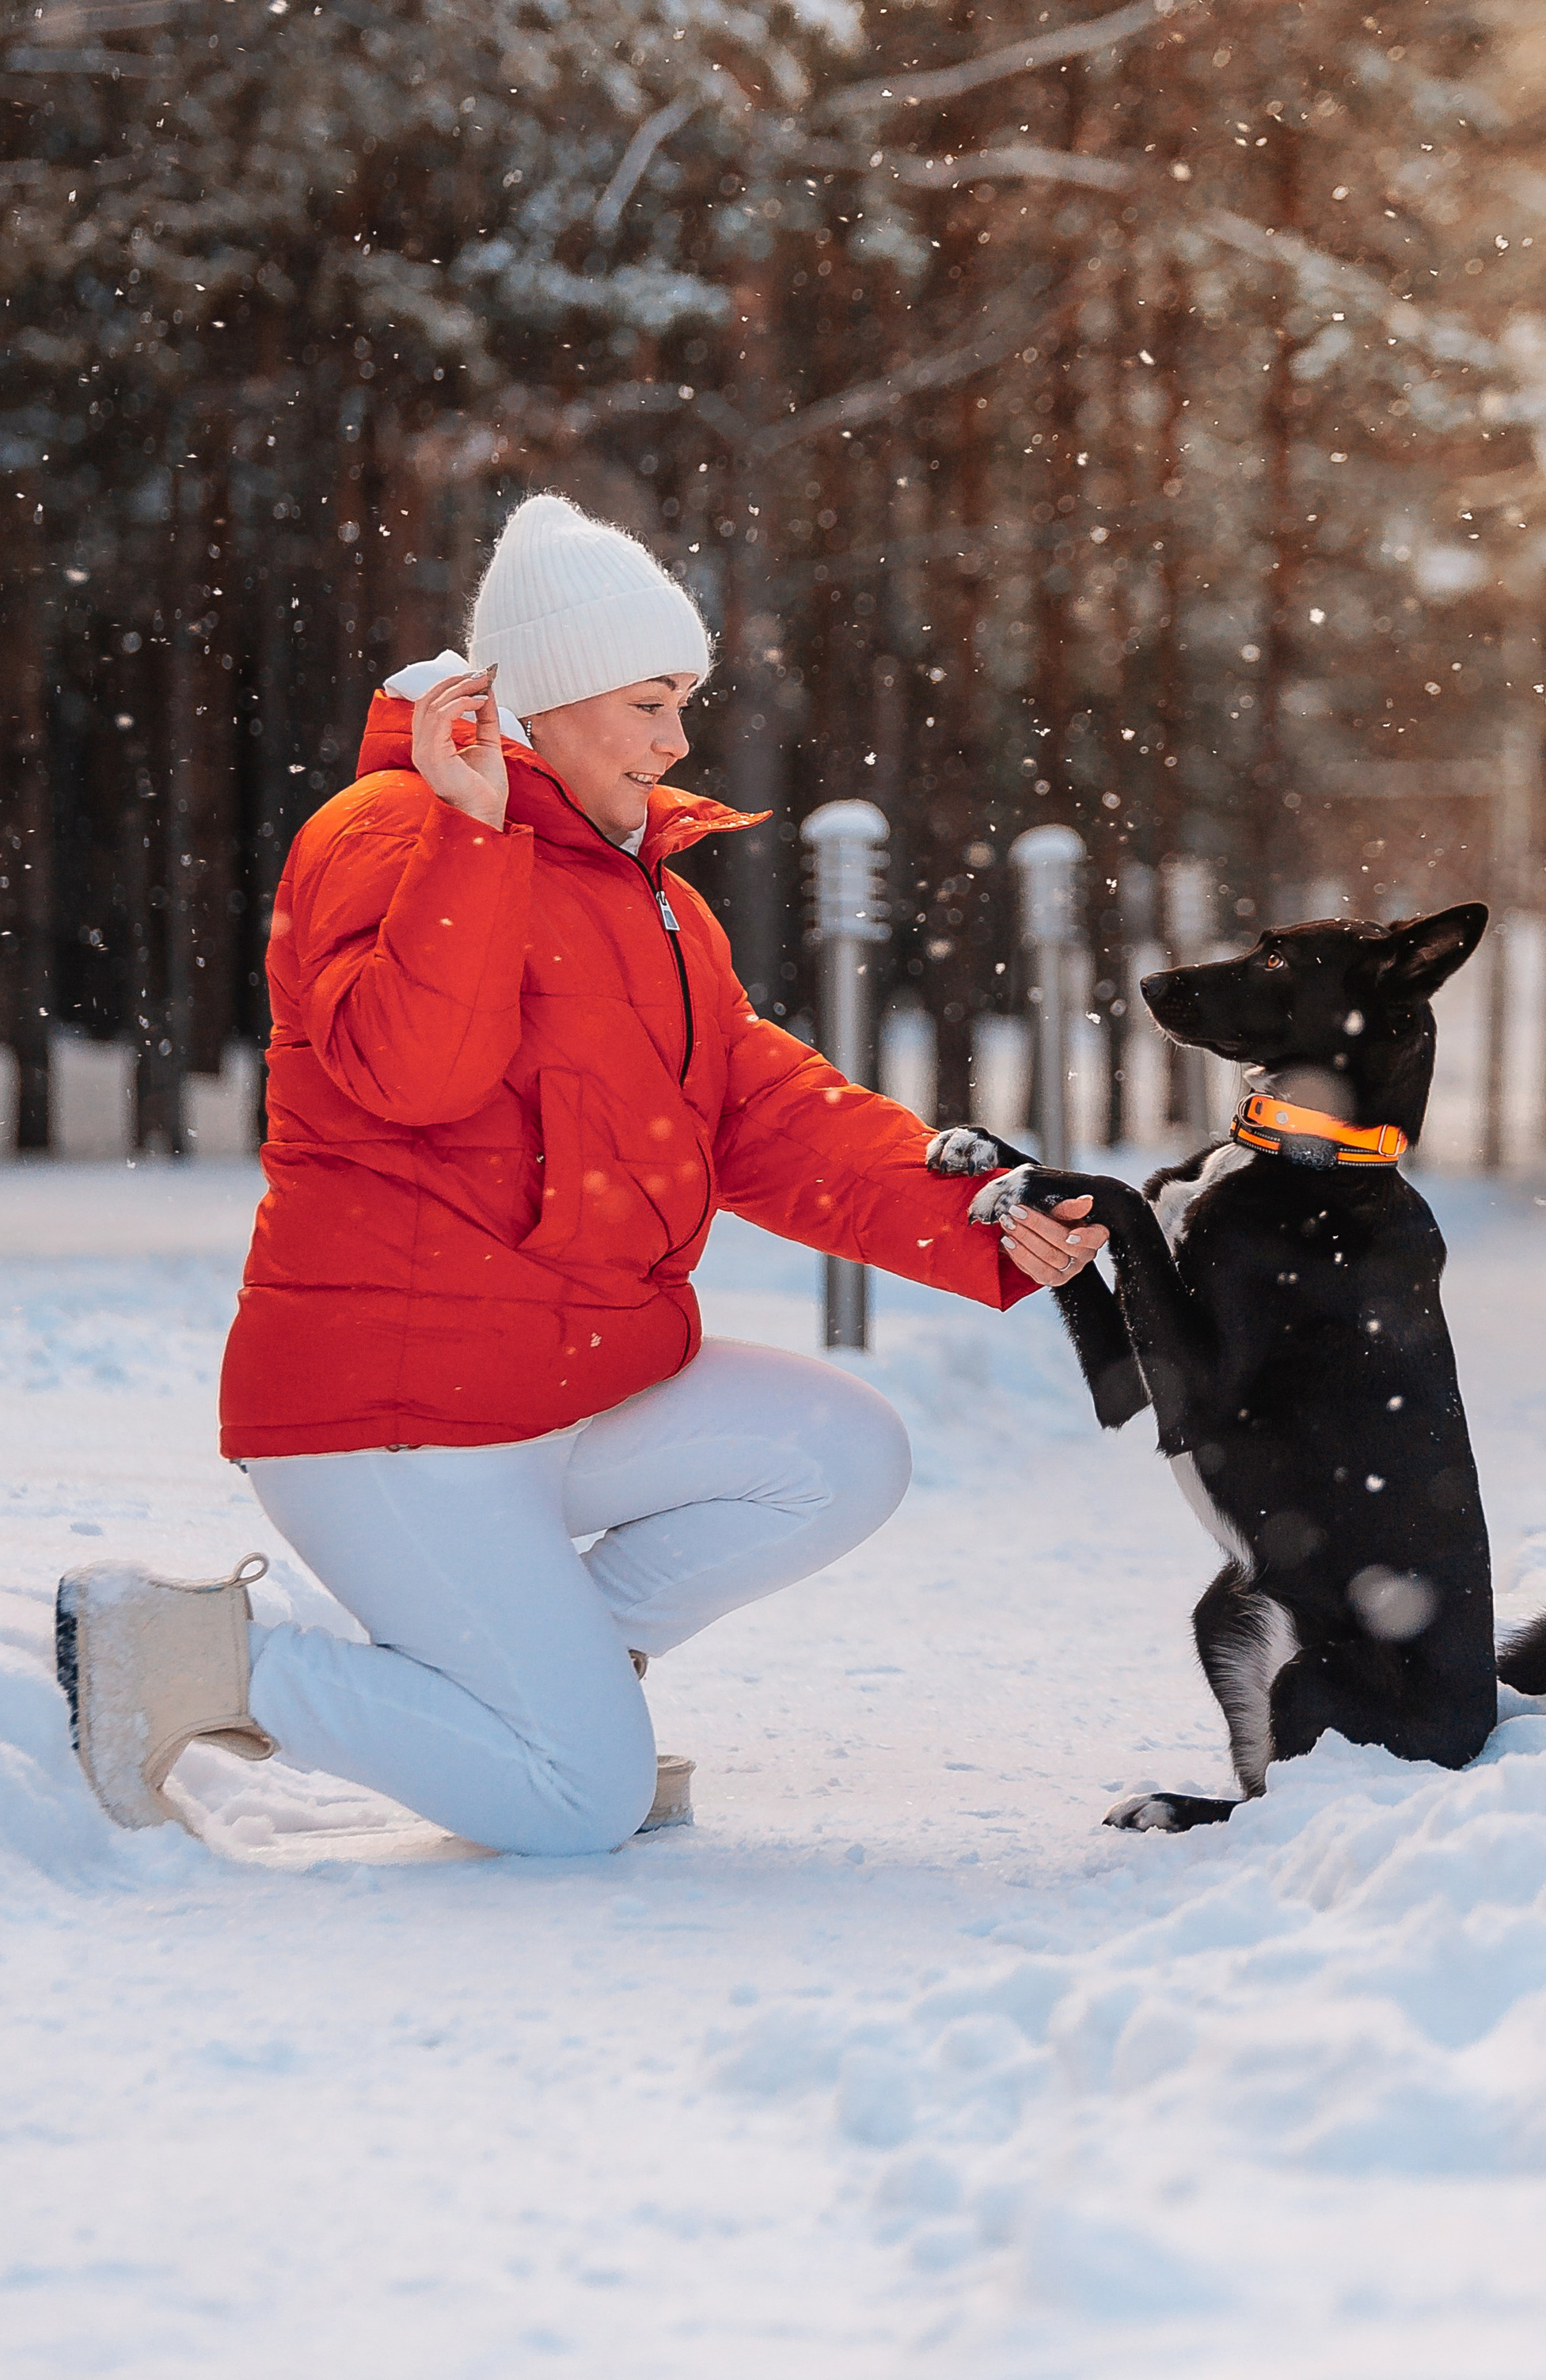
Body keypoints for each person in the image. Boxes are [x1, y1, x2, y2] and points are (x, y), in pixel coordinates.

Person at [55, 492, 1106, 1855]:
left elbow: (756, 1106)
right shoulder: (386, 832)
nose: (680, 744)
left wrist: (974, 1205)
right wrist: (472, 834)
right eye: (650, 706)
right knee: (577, 1804)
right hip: (396, 1419)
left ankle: (545, 1682)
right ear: (541, 703)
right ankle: (194, 1658)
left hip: (557, 1391)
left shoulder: (645, 889)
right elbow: (408, 1074)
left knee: (841, 1452)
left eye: (685, 706)